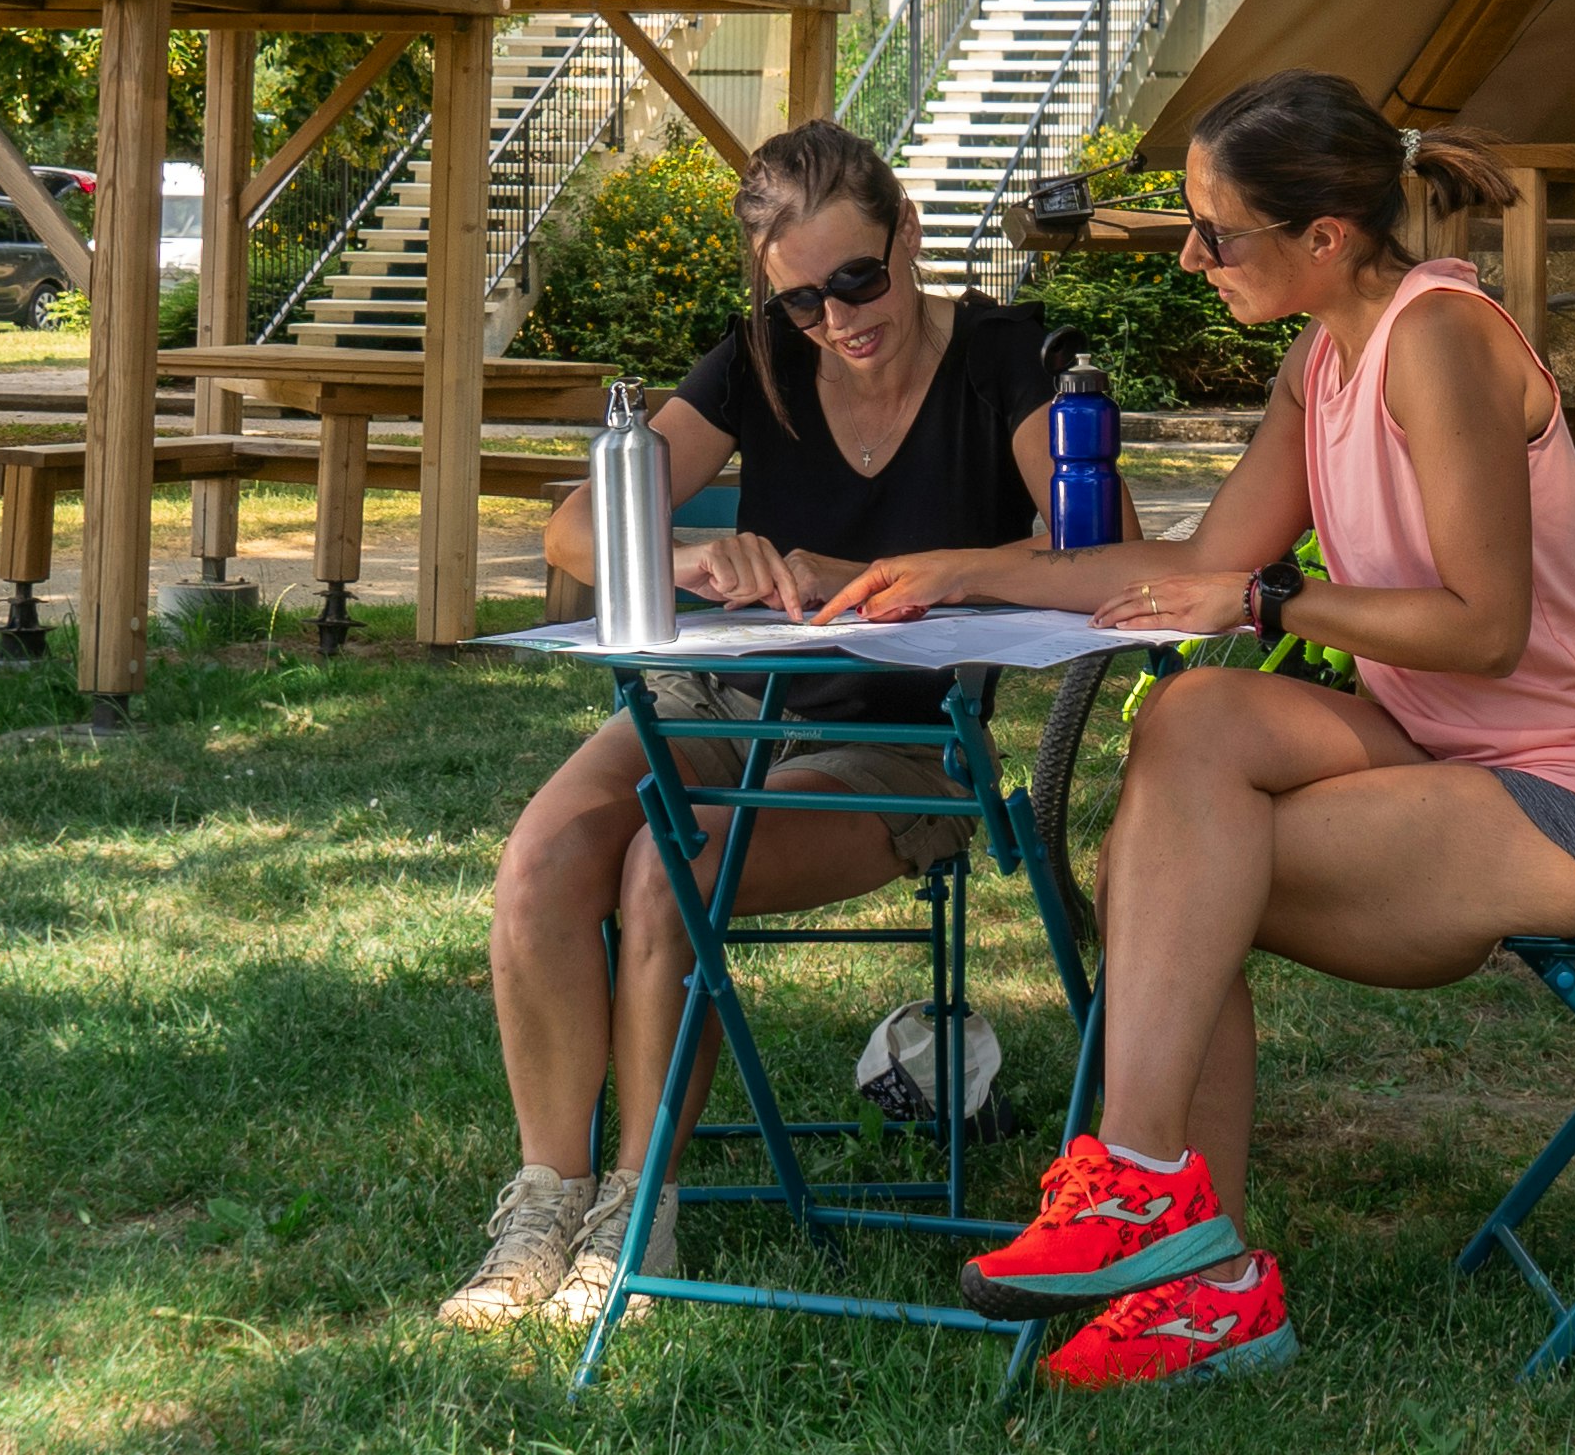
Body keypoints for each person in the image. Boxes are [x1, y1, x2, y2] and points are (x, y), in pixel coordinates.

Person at [821, 69, 1575, 1392]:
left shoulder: (1438, 340)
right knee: (1193, 718)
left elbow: (1483, 628)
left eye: (1214, 234)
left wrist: (1266, 595)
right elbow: (1187, 561)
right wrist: (967, 567)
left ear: (1323, 239)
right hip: (1452, 762)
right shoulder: (1322, 359)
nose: (1189, 257)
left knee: (1164, 879)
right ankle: (1168, 1225)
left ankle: (1174, 1246)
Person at [439, 122, 1125, 1329]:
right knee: (542, 860)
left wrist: (912, 570)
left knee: (672, 863)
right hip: (726, 697)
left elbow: (1102, 549)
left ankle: (639, 1209)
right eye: (803, 300)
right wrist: (691, 546)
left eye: (857, 279)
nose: (836, 319)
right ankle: (550, 1197)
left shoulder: (1005, 361)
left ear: (906, 232)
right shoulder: (760, 356)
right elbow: (568, 532)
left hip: (903, 740)